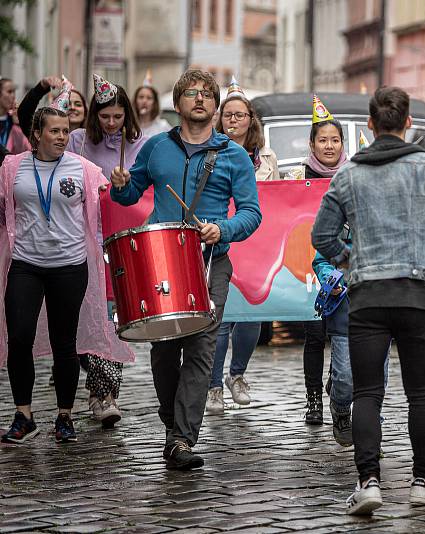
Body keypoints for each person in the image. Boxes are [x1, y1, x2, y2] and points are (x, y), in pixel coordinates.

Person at [312, 86, 425, 514]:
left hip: (368, 295)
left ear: (370, 125)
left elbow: (321, 237)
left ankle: (369, 482)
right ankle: (422, 483)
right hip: (418, 292)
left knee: (368, 393)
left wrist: (352, 261)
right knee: (421, 393)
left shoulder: (347, 174)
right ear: (408, 123)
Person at [110, 69, 261, 470]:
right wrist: (121, 184)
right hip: (161, 260)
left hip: (211, 263)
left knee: (200, 349)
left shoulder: (234, 155)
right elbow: (128, 195)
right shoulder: (156, 147)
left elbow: (252, 214)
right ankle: (172, 421)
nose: (199, 99)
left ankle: (181, 438)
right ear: (177, 104)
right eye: (191, 93)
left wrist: (222, 228)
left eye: (207, 94)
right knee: (163, 352)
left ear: (215, 105)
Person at [0, 103, 133, 444]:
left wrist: (121, 186)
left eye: (64, 130)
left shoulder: (83, 169)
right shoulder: (12, 167)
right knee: (19, 338)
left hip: (69, 266)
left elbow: (115, 201)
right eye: (54, 131)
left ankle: (65, 415)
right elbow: (3, 211)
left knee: (65, 344)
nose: (62, 137)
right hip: (26, 264)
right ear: (37, 134)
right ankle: (24, 415)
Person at [65, 74, 148, 428]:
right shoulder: (77, 141)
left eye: (117, 117)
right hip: (80, 239)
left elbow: (148, 188)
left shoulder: (139, 144)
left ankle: (104, 395)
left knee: (111, 318)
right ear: (94, 115)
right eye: (105, 117)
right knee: (81, 319)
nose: (112, 123)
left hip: (121, 239)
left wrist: (130, 184)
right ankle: (99, 386)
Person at [206, 78, 275, 414]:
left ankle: (238, 375)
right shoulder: (211, 152)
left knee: (252, 314)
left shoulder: (268, 157)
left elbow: (276, 201)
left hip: (256, 244)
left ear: (251, 120)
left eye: (240, 115)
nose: (233, 121)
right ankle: (215, 385)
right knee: (222, 314)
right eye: (228, 115)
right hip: (223, 241)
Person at [289, 95, 348, 425]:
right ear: (312, 143)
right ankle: (313, 398)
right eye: (323, 140)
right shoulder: (297, 176)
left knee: (343, 334)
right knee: (314, 334)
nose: (329, 146)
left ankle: (337, 382)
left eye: (335, 139)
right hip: (305, 267)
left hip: (342, 268)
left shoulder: (351, 174)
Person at [17, 76, 87, 136]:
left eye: (78, 104)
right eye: (66, 104)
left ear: (85, 112)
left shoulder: (92, 139)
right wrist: (41, 87)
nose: (72, 107)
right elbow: (24, 113)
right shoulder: (43, 135)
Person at [134, 70, 171, 137]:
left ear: (154, 103)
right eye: (141, 97)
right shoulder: (130, 127)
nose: (144, 101)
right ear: (135, 101)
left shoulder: (163, 126)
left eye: (149, 98)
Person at [0, 78, 31, 155]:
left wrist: (17, 124)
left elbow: (23, 149)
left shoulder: (13, 120)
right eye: (9, 92)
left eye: (14, 92)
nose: (13, 96)